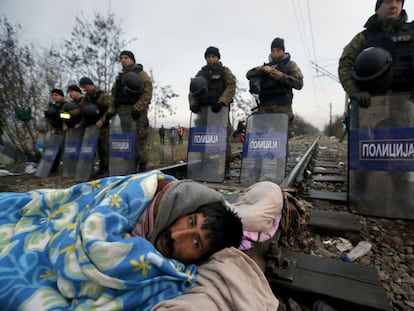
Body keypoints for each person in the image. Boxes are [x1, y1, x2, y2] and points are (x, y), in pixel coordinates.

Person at [0, 171, 243, 309]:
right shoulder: (148, 196)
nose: (177, 235)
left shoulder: (175, 274)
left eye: (196, 242)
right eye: (190, 222)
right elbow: (97, 226)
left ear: (201, 258)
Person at [338, 0, 410, 108]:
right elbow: (345, 64)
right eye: (388, 1)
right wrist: (355, 91)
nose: (394, 6)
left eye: (398, 1)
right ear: (378, 7)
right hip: (374, 107)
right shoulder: (363, 38)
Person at [189, 46, 236, 178]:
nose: (211, 59)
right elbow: (192, 90)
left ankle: (226, 167)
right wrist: (193, 104)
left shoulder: (224, 71)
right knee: (203, 139)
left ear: (218, 57)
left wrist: (222, 101)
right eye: (208, 57)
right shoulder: (201, 73)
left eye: (213, 56)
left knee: (222, 138)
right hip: (203, 111)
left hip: (219, 110)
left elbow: (231, 86)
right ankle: (205, 164)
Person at [110, 50, 153, 173]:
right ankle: (129, 167)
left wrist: (137, 108)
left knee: (139, 140)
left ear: (132, 59)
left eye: (126, 57)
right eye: (121, 58)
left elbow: (147, 93)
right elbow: (114, 94)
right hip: (122, 114)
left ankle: (142, 167)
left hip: (137, 114)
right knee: (126, 141)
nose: (123, 60)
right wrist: (111, 109)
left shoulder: (141, 74)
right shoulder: (120, 77)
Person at [246, 37, 304, 129]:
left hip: (283, 108)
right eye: (273, 51)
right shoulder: (265, 67)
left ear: (283, 51)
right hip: (265, 108)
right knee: (263, 138)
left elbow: (299, 84)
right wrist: (262, 69)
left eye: (278, 50)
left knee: (282, 138)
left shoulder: (291, 65)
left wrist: (282, 77)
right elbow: (249, 74)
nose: (275, 53)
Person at [79, 77, 112, 177]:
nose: (84, 89)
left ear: (90, 85)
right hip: (92, 126)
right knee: (99, 149)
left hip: (104, 126)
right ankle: (101, 168)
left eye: (85, 87)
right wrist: (81, 124)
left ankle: (107, 169)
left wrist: (102, 120)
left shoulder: (102, 96)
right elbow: (83, 111)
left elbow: (111, 108)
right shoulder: (86, 99)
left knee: (106, 148)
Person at [44, 88, 67, 172]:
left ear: (61, 96)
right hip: (55, 129)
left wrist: (58, 115)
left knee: (65, 149)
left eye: (56, 95)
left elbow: (68, 116)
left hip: (64, 130)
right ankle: (53, 168)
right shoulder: (53, 106)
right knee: (53, 150)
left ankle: (67, 168)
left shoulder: (66, 105)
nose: (54, 97)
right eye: (52, 95)